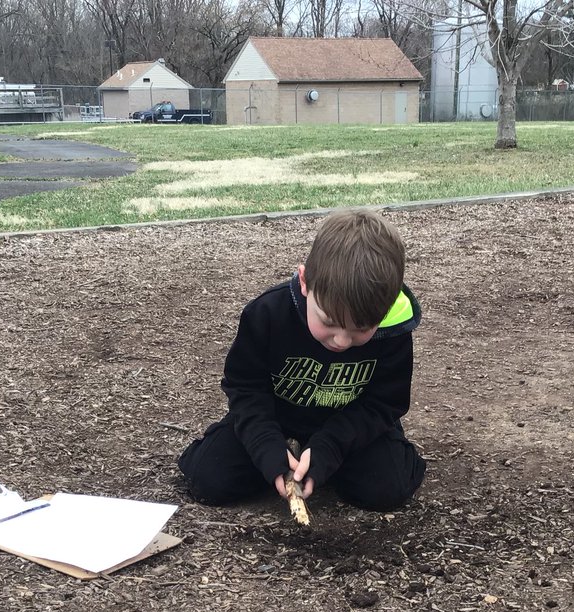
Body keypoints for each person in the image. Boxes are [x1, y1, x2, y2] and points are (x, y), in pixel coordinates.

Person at [179, 208, 426, 513]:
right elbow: (245, 389)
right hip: (276, 421)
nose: (342, 341)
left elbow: (384, 405)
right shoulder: (266, 314)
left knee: (389, 487)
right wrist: (267, 448)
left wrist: (329, 448)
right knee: (209, 478)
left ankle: (320, 465)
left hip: (349, 430)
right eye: (330, 321)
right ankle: (287, 463)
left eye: (361, 329)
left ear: (386, 309)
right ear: (306, 281)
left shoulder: (394, 331)